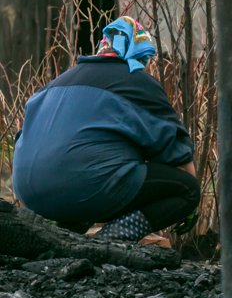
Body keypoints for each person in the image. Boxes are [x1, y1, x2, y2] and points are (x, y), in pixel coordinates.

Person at [12, 16, 200, 241]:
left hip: (29, 192)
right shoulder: (137, 82)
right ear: (137, 53)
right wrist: (191, 202)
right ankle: (110, 240)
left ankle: (64, 238)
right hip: (84, 185)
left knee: (92, 162)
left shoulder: (55, 84)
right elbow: (176, 150)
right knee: (187, 189)